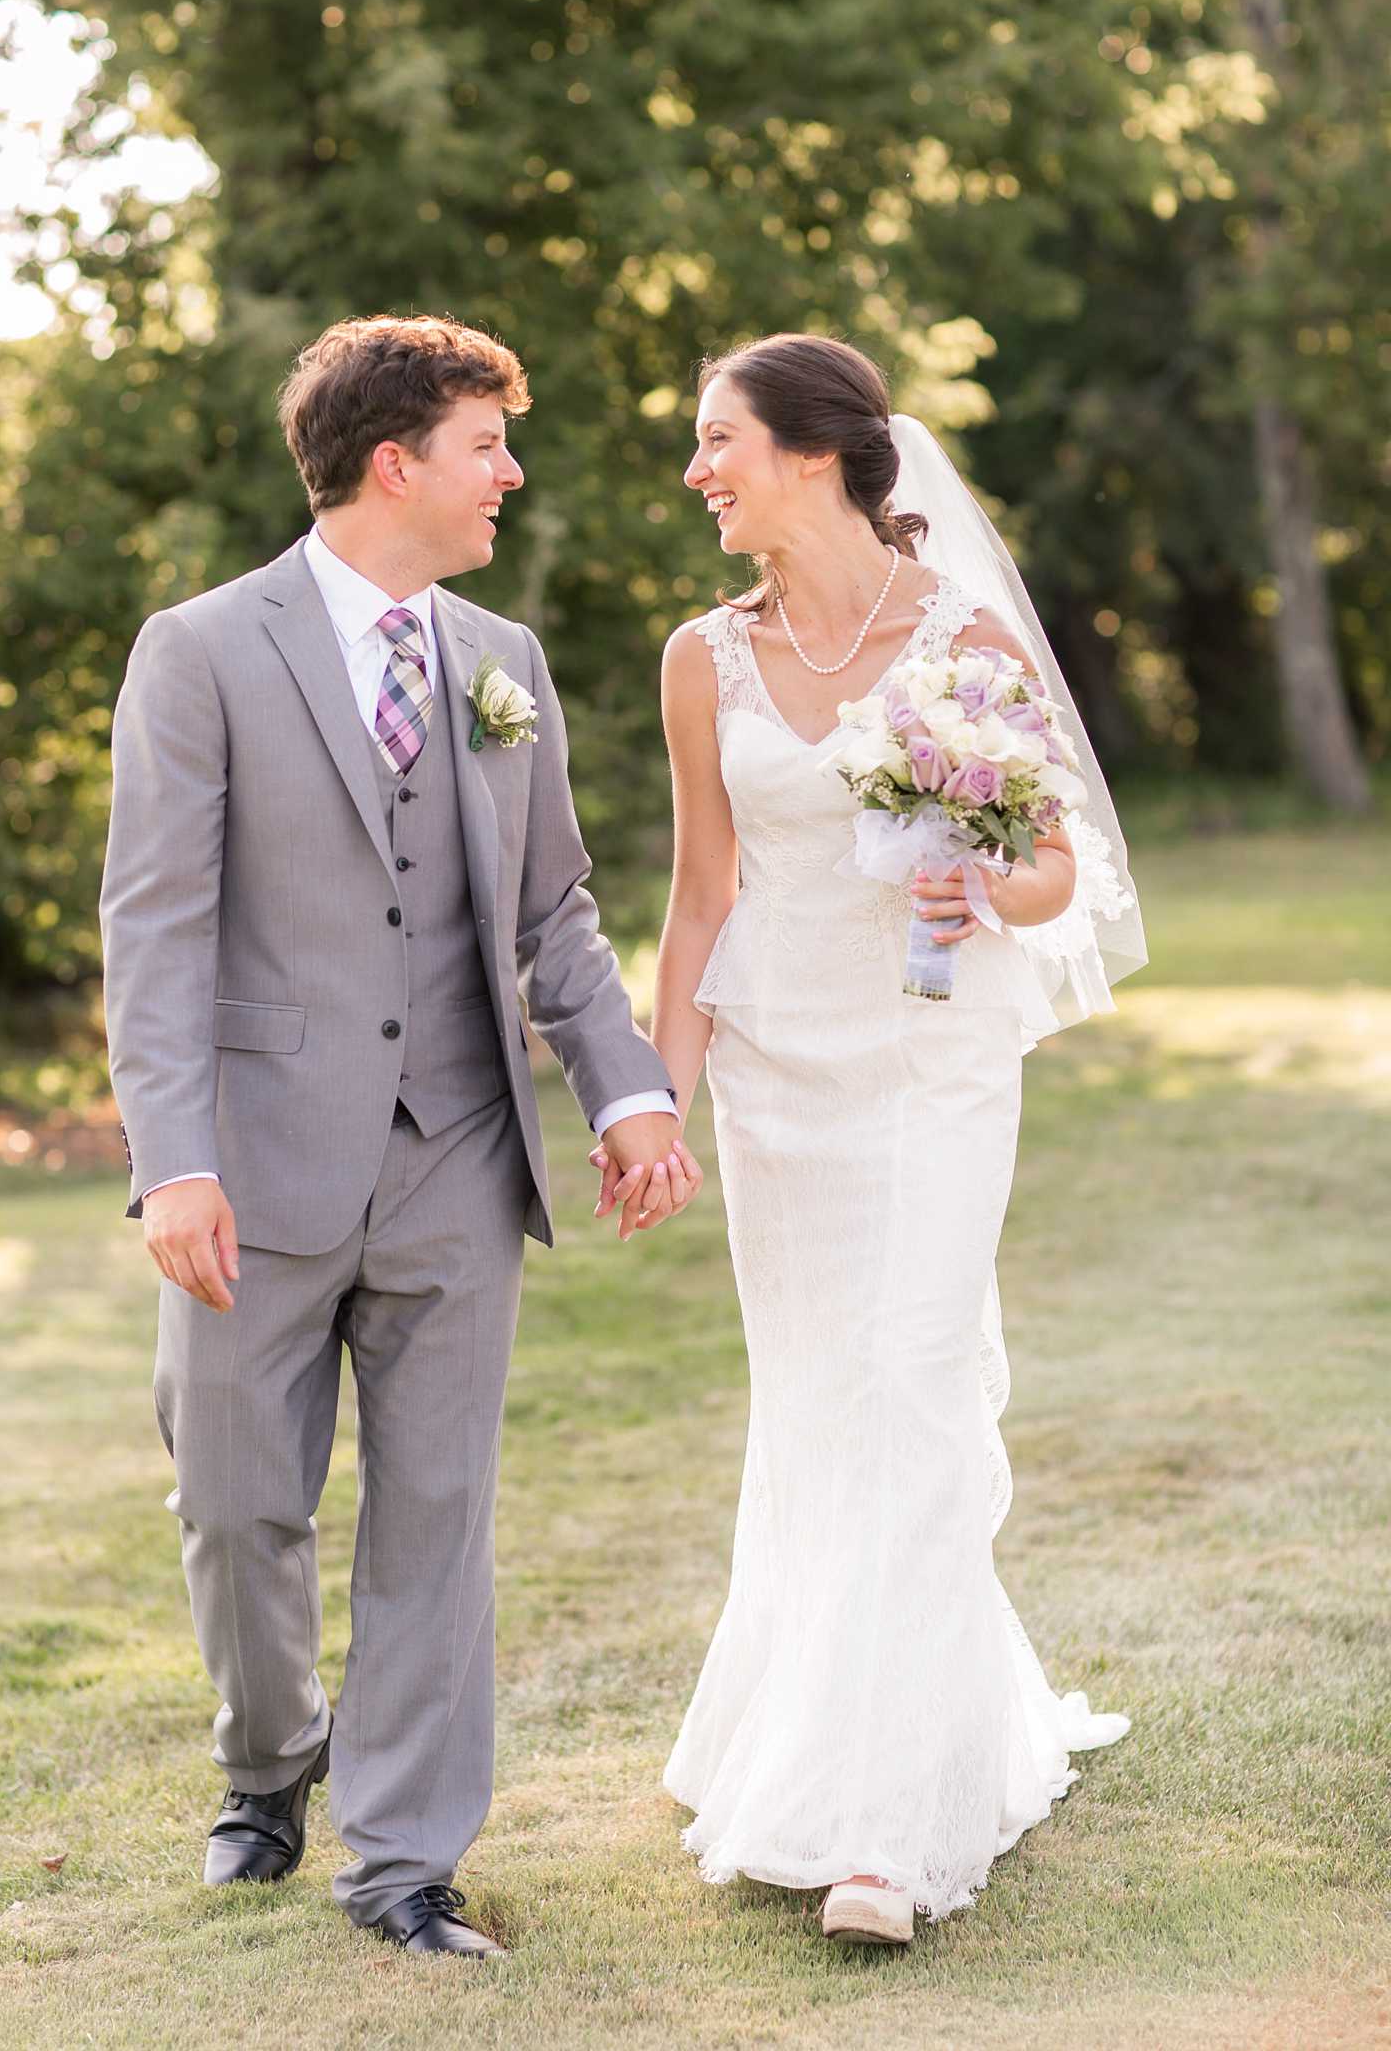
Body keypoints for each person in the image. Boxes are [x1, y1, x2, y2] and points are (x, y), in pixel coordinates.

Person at [100, 313, 702, 1960]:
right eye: (486, 444)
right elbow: (155, 927)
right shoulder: (204, 650)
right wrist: (176, 1162)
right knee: (237, 1509)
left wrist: (629, 1084)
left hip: (457, 1155)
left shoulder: (501, 659)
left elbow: (554, 909)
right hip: (254, 1157)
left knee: (437, 1516)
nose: (509, 472)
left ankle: (405, 1863)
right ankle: (267, 1765)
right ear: (394, 462)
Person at [609, 333, 1143, 1946]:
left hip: (932, 1067)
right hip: (785, 1085)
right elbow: (704, 895)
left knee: (914, 1385)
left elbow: (1054, 869)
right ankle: (824, 1721)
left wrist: (981, 881)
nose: (699, 471)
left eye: (720, 441)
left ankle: (889, 1839)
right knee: (824, 1405)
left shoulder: (963, 634)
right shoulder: (701, 657)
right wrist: (657, 1099)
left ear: (820, 453)